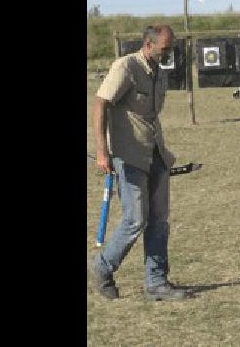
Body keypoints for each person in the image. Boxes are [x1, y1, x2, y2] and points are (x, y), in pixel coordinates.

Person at [88, 24, 192, 300]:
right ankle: (101, 267)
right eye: (165, 48)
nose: (169, 53)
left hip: (156, 153)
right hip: (129, 155)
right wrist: (102, 150)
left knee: (159, 220)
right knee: (135, 220)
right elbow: (100, 104)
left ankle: (156, 282)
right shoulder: (126, 67)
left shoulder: (160, 72)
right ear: (149, 44)